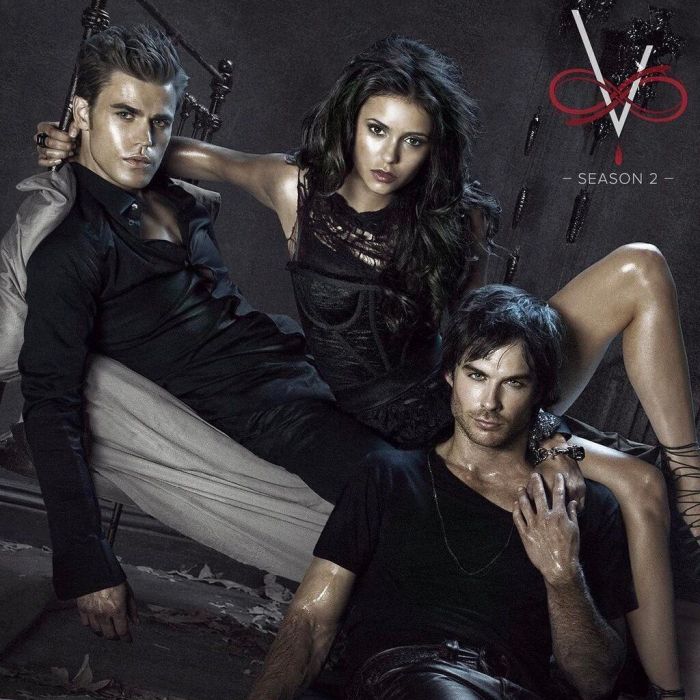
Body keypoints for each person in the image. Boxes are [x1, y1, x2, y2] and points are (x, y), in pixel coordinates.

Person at [34, 35, 690, 694]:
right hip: (405, 417)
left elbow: (472, 336)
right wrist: (77, 140)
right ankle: (658, 682)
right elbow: (192, 156)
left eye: (412, 140)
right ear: (351, 124)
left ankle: (685, 476)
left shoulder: (448, 220)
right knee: (635, 486)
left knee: (640, 289)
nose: (389, 157)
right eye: (376, 131)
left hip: (458, 389)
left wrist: (537, 430)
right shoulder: (285, 191)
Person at [248, 285, 641, 700]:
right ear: (450, 375)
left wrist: (563, 575)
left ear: (540, 392)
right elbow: (310, 621)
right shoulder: (388, 478)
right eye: (477, 376)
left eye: (514, 383)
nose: (490, 402)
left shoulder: (580, 506)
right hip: (399, 679)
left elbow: (595, 681)